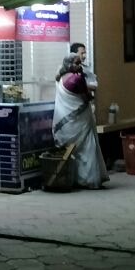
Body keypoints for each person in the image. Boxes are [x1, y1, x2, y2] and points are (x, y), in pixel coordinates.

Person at [53, 53, 109, 189]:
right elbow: (87, 97)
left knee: (74, 152)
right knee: (87, 149)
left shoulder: (61, 77)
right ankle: (89, 180)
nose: (80, 66)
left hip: (65, 124)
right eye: (77, 63)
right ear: (69, 64)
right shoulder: (76, 79)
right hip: (80, 121)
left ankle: (74, 179)